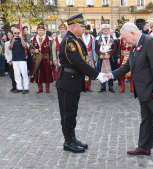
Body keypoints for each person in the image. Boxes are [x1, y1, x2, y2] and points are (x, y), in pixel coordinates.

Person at [104, 22, 153, 164]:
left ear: (132, 33)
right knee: (146, 120)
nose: (124, 41)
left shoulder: (150, 42)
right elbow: (127, 66)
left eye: (124, 38)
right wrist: (110, 75)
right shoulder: (135, 46)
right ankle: (144, 147)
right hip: (142, 91)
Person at [56, 13, 105, 153]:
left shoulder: (76, 39)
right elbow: (78, 62)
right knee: (67, 114)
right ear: (73, 26)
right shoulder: (69, 41)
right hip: (67, 82)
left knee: (72, 112)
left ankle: (72, 138)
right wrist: (97, 75)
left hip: (73, 81)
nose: (83, 28)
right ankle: (68, 142)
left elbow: (83, 60)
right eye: (81, 26)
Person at [30, 23, 53, 93]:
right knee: (38, 74)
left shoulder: (49, 39)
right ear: (37, 30)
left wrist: (51, 59)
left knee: (47, 74)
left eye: (42, 30)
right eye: (39, 30)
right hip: (36, 59)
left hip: (46, 59)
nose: (41, 31)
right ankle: (40, 88)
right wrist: (34, 50)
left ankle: (47, 88)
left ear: (44, 31)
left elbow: (51, 50)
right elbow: (30, 49)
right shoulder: (33, 39)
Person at [95, 23, 118, 93]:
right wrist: (99, 54)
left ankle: (111, 86)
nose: (105, 30)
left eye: (107, 29)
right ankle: (103, 87)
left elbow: (115, 48)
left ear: (109, 30)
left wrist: (110, 55)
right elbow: (96, 48)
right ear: (102, 30)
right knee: (102, 72)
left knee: (111, 72)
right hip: (101, 58)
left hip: (110, 58)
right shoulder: (98, 38)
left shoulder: (113, 38)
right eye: (104, 29)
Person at [9, 28, 29, 94]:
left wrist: (21, 38)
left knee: (24, 74)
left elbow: (24, 45)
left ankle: (26, 88)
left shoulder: (23, 39)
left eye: (18, 33)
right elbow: (10, 48)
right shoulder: (12, 40)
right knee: (17, 75)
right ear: (13, 34)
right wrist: (13, 41)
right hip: (15, 60)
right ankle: (19, 88)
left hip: (22, 59)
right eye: (15, 33)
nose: (16, 34)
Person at [82, 24, 96, 91]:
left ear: (89, 30)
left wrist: (95, 59)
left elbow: (93, 49)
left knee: (90, 71)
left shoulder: (92, 37)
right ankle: (83, 86)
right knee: (83, 71)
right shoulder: (80, 37)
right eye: (85, 29)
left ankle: (89, 86)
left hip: (90, 56)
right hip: (83, 56)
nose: (86, 31)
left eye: (87, 29)